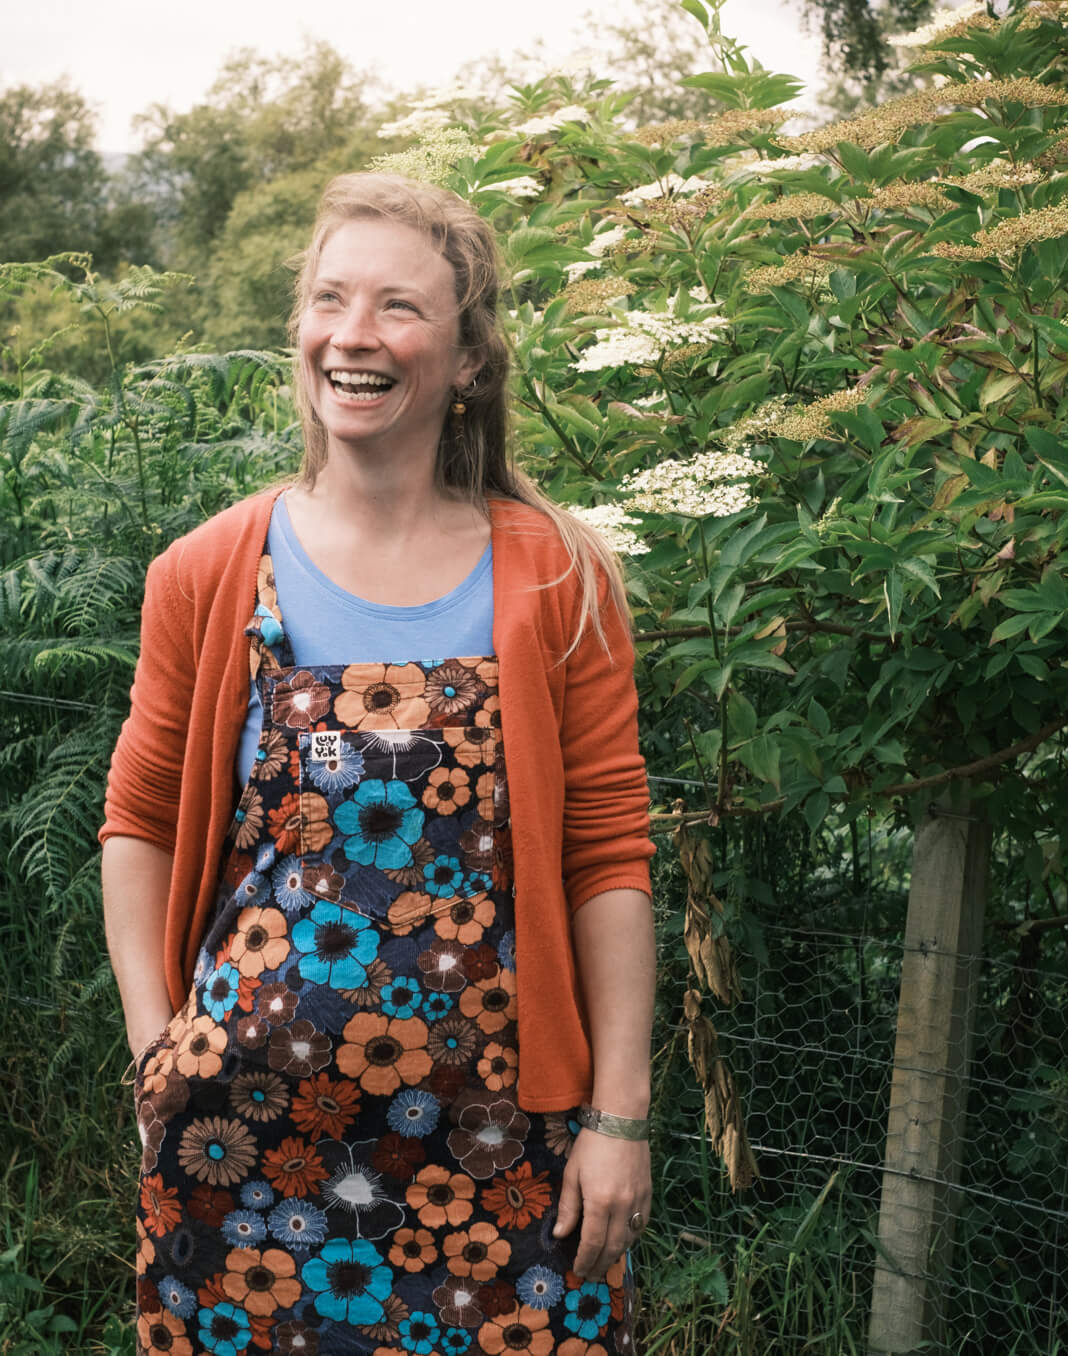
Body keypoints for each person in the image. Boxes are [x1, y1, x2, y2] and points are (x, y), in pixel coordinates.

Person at [99, 171, 657, 1356]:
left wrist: (618, 1114)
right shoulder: (203, 573)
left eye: (398, 307)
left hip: (503, 1154)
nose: (353, 336)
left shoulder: (559, 577)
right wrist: (156, 1052)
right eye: (328, 299)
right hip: (239, 1139)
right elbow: (138, 822)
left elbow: (609, 852)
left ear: (466, 361)